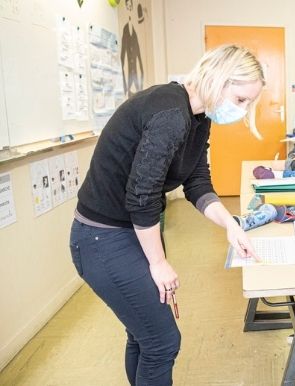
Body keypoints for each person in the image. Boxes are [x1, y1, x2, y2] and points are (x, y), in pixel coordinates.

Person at [70, 44, 263, 385]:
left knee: (143, 335)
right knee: (161, 341)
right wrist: (158, 263)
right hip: (102, 238)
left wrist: (228, 223)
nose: (243, 110)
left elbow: (196, 181)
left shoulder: (198, 117)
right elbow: (142, 195)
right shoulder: (170, 114)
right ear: (219, 80)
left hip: (129, 231)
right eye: (241, 99)